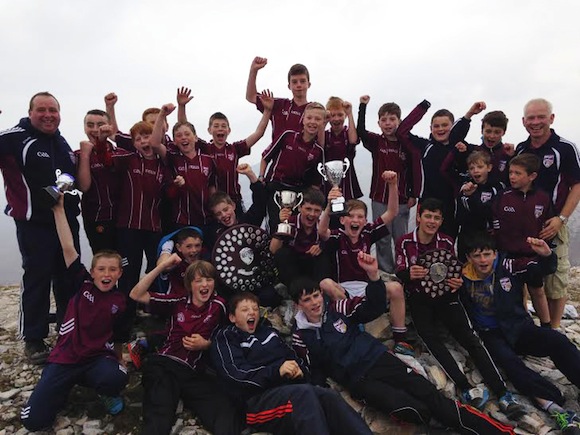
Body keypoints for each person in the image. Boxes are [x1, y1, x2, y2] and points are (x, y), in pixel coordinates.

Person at [291, 252, 516, 434]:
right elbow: (314, 369)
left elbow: (373, 307)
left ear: (322, 295)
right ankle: (444, 426)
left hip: (379, 359)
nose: (314, 303)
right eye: (307, 300)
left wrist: (374, 278)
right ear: (298, 305)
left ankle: (497, 431)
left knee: (430, 394)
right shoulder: (300, 336)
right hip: (359, 380)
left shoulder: (338, 309)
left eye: (316, 296)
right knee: (411, 409)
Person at [395, 198, 517, 412]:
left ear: (441, 220)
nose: (432, 221)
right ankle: (466, 386)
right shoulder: (405, 242)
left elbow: (454, 270)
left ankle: (503, 392)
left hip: (446, 296)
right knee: (431, 339)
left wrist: (457, 282)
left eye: (437, 217)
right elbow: (400, 271)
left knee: (470, 338)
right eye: (428, 216)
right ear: (419, 216)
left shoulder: (447, 241)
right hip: (419, 297)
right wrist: (408, 274)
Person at [21, 194, 127, 431]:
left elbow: (119, 335)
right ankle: (59, 387)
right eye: (101, 269)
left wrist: (119, 359)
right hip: (64, 359)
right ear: (92, 271)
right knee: (33, 421)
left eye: (112, 269)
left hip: (96, 360)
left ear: (120, 273)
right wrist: (59, 209)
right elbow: (68, 246)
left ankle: (103, 390)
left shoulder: (120, 302)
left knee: (118, 377)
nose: (106, 274)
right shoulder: (81, 283)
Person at [460, 232, 580, 433]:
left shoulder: (509, 267)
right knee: (510, 364)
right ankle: (557, 406)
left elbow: (541, 269)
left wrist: (547, 255)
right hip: (490, 333)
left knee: (557, 340)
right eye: (477, 256)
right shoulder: (462, 277)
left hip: (518, 326)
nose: (483, 260)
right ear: (468, 258)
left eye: (487, 254)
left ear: (495, 254)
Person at [210, 292, 372, 435]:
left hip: (290, 390)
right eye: (245, 310)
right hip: (256, 403)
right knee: (304, 395)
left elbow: (293, 358)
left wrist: (300, 370)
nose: (252, 312)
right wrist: (276, 371)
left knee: (328, 395)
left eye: (255, 308)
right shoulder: (226, 337)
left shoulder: (268, 332)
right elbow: (236, 375)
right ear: (232, 317)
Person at [0, 92, 80, 364]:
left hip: (65, 221)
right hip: (32, 222)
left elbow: (71, 173)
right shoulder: (15, 137)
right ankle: (33, 337)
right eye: (42, 110)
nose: (48, 115)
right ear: (30, 111)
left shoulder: (61, 141)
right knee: (37, 276)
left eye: (53, 110)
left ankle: (66, 327)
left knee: (67, 276)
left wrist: (58, 188)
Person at [130, 257, 243, 435]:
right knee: (159, 410)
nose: (204, 284)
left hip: (193, 372)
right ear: (190, 284)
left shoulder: (220, 305)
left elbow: (231, 338)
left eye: (209, 279)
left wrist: (207, 345)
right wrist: (162, 266)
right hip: (165, 364)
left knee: (222, 407)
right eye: (198, 280)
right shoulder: (178, 301)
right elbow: (136, 294)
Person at [318, 171, 413, 355]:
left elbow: (392, 212)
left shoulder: (368, 232)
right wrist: (329, 206)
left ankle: (401, 340)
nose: (356, 220)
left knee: (395, 288)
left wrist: (393, 185)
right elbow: (322, 231)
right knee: (325, 283)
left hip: (366, 289)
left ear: (365, 220)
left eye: (360, 216)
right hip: (343, 289)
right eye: (351, 216)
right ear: (343, 219)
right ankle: (353, 325)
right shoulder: (338, 235)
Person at [515, 98, 580, 328]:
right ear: (523, 121)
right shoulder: (521, 149)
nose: (535, 122)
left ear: (551, 118)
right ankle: (528, 325)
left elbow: (577, 185)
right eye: (531, 118)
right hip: (525, 224)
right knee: (523, 274)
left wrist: (561, 219)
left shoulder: (564, 148)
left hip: (552, 223)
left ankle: (553, 330)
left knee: (555, 279)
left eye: (540, 117)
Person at [113, 120, 168, 345]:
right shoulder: (127, 160)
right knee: (128, 276)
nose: (144, 141)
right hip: (129, 228)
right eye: (138, 139)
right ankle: (124, 328)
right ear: (133, 143)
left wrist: (177, 186)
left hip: (154, 228)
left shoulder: (164, 165)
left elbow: (169, 195)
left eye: (148, 137)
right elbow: (109, 154)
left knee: (155, 273)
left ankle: (154, 317)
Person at [396, 101, 486, 236]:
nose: (440, 129)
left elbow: (484, 155)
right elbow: (401, 132)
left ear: (453, 127)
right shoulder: (424, 146)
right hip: (426, 202)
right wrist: (422, 107)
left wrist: (469, 114)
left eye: (445, 125)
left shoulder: (461, 148)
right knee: (424, 244)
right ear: (430, 128)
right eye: (436, 126)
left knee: (447, 245)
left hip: (451, 206)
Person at [357, 95, 420, 273]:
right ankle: (385, 272)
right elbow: (360, 131)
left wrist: (414, 195)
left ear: (399, 121)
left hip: (401, 200)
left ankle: (402, 271)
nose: (388, 123)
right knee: (382, 238)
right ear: (378, 124)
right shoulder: (376, 142)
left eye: (392, 119)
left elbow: (415, 169)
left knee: (400, 237)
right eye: (383, 120)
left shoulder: (406, 144)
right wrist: (362, 106)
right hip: (379, 198)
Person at [492, 153, 554, 326]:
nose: (512, 176)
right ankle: (523, 326)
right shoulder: (504, 196)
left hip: (532, 254)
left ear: (532, 176)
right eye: (511, 172)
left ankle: (547, 326)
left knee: (537, 290)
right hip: (508, 255)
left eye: (518, 173)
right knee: (514, 293)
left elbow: (548, 223)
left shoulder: (543, 197)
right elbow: (495, 222)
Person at [150, 103, 216, 230]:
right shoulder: (172, 156)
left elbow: (212, 188)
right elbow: (154, 143)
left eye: (187, 134)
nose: (183, 138)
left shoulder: (208, 160)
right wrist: (162, 114)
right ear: (174, 141)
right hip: (181, 221)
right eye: (179, 136)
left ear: (195, 138)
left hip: (206, 219)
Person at [262, 102, 325, 232]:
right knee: (275, 226)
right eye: (309, 118)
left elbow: (315, 183)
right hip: (276, 188)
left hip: (298, 194)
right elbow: (266, 157)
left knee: (292, 229)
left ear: (323, 123)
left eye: (318, 119)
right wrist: (261, 177)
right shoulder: (287, 135)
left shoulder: (319, 151)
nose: (312, 122)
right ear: (303, 119)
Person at [76, 109, 129, 253]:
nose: (95, 129)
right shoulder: (78, 155)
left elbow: (110, 164)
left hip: (124, 219)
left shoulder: (121, 153)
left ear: (109, 126)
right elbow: (84, 186)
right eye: (90, 125)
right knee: (103, 261)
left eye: (100, 124)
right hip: (96, 218)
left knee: (126, 264)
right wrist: (85, 156)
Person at [269, 187, 331, 288]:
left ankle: (320, 292)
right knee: (283, 254)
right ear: (299, 208)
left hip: (311, 267)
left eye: (316, 211)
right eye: (308, 209)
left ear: (321, 212)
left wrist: (321, 246)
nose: (312, 214)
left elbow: (330, 239)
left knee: (323, 255)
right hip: (293, 269)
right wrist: (280, 223)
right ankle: (293, 293)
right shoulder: (290, 222)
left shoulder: (321, 226)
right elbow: (273, 250)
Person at [442, 108, 513, 186]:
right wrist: (469, 114)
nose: (492, 136)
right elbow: (453, 137)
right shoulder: (473, 151)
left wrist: (512, 157)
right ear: (482, 130)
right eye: (488, 131)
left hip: (499, 196)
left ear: (504, 132)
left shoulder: (507, 153)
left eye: (497, 132)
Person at [455, 150, 505, 261]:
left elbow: (492, 212)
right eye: (472, 168)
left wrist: (473, 199)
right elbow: (462, 215)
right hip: (468, 237)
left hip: (489, 236)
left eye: (480, 167)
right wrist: (470, 196)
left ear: (489, 167)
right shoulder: (466, 188)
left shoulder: (497, 187)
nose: (475, 171)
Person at [323, 96, 362, 201]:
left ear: (344, 116)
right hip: (328, 182)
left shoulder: (348, 133)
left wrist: (350, 114)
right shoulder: (325, 135)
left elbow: (353, 140)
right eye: (332, 115)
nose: (336, 119)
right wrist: (324, 121)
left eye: (340, 115)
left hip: (348, 181)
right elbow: (319, 144)